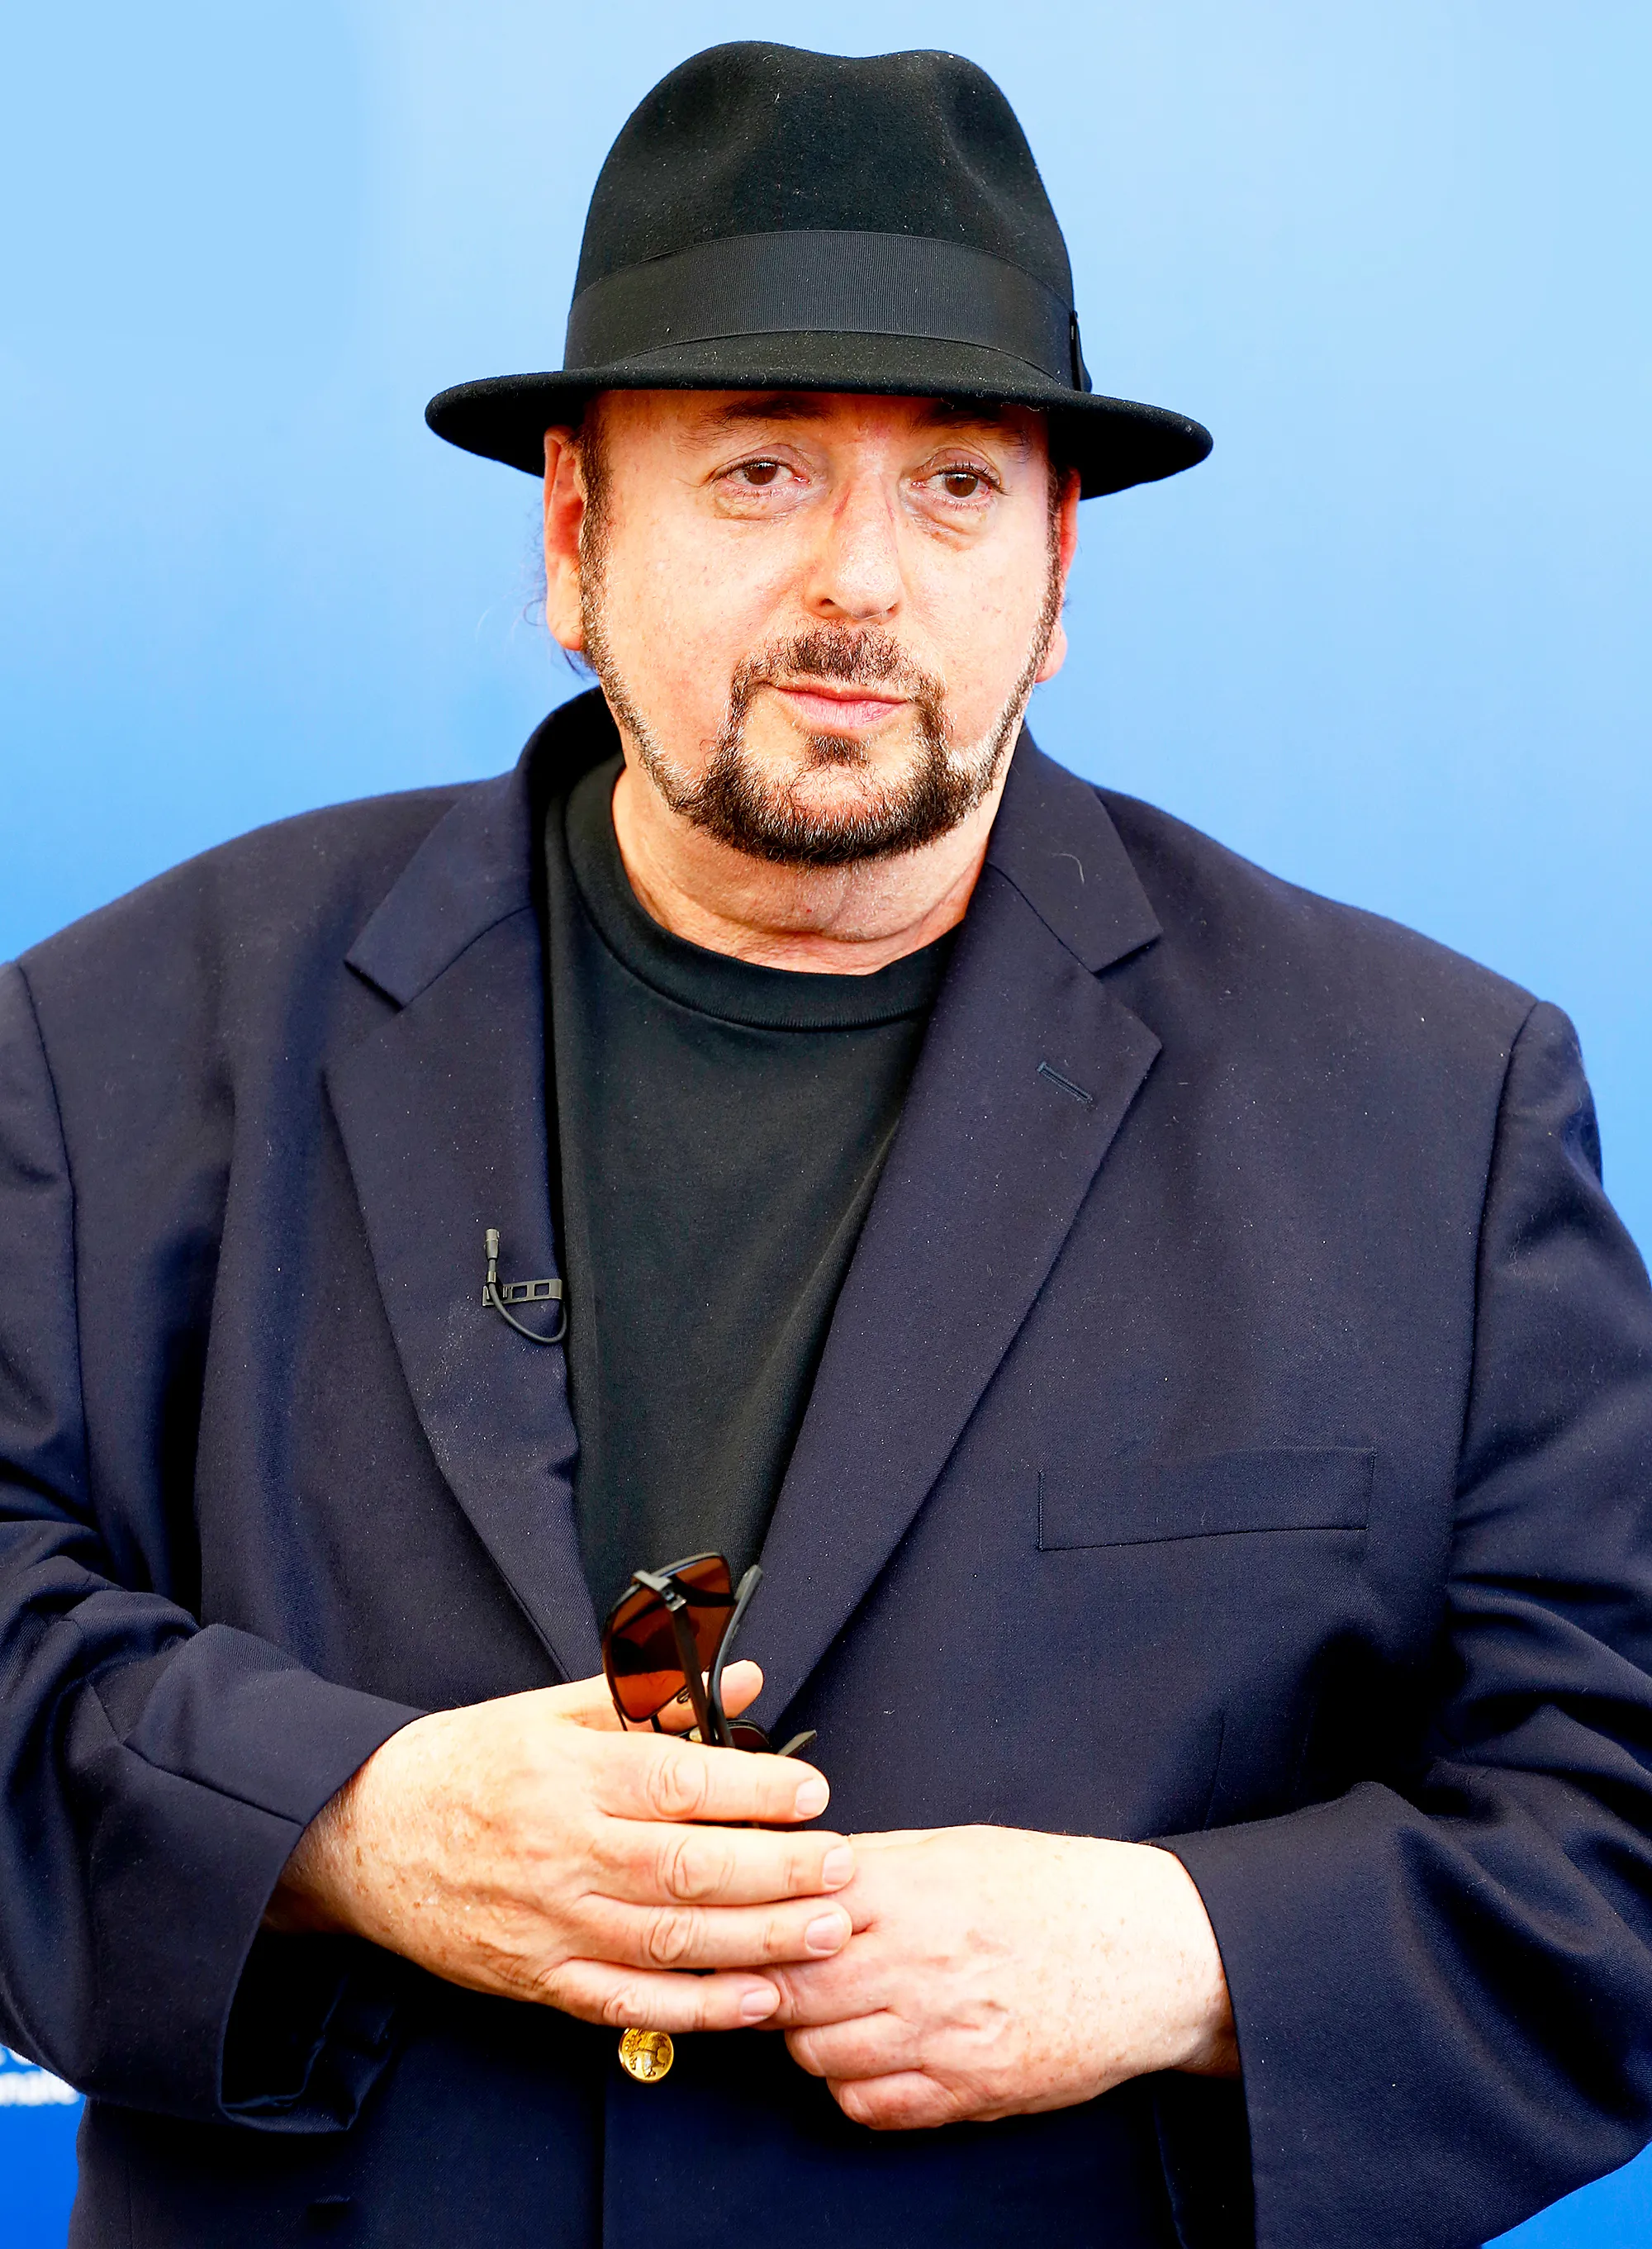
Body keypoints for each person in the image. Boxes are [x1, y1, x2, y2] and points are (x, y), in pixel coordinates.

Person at [2, 40, 1650, 2249]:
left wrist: (1190, 1955)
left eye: (958, 487)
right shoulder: (118, 1037)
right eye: (762, 473)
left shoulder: (1435, 1107)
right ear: (578, 530)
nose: (859, 586)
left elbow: (1618, 1829)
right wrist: (341, 1825)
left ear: (1057, 566)